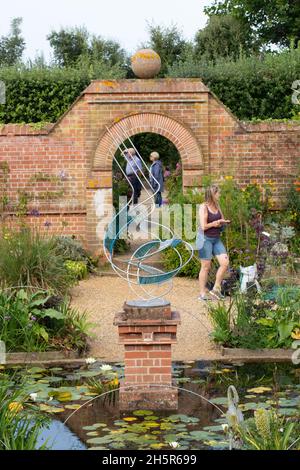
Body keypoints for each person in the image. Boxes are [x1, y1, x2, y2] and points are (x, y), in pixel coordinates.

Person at [198, 184, 231, 301]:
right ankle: (202, 293)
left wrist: (224, 222)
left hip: (216, 239)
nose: (220, 195)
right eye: (218, 193)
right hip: (204, 239)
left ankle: (216, 289)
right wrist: (215, 223)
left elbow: (221, 219)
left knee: (225, 263)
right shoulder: (203, 207)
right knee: (206, 266)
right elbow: (203, 226)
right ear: (213, 194)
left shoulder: (217, 206)